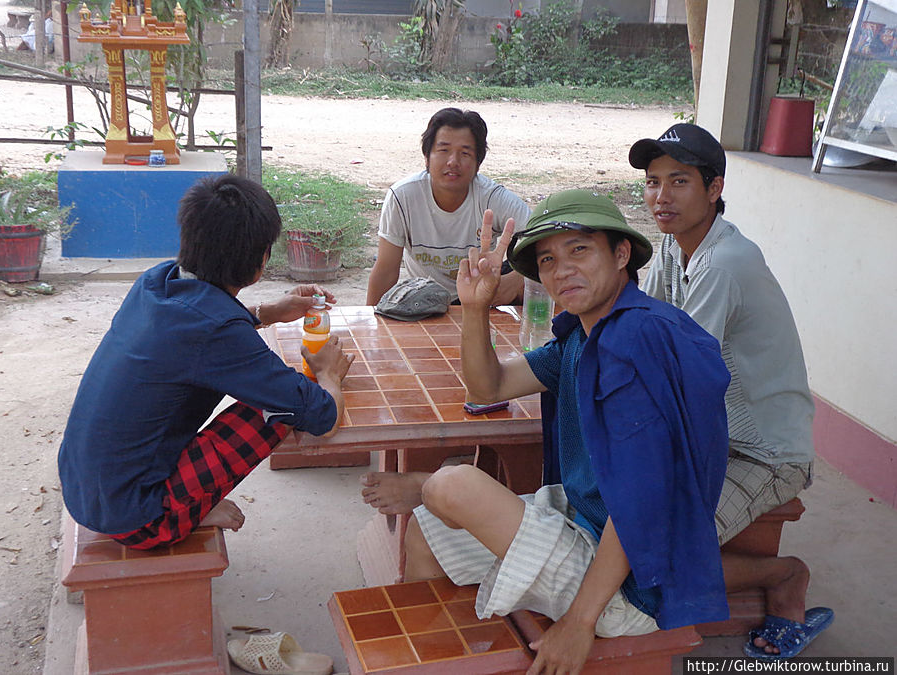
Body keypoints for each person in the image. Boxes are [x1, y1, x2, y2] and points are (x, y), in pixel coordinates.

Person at [401, 189, 732, 674]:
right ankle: (436, 661)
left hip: (632, 584)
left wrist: (579, 621)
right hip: (582, 525)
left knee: (450, 484)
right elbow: (489, 384)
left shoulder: (632, 343)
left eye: (580, 250)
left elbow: (641, 498)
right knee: (426, 531)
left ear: (621, 255)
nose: (563, 270)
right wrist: (475, 308)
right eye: (548, 260)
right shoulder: (584, 334)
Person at [58, 175, 354, 549]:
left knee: (274, 391)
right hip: (135, 518)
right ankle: (182, 512)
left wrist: (271, 312)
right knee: (280, 407)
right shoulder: (216, 332)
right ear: (260, 262)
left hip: (85, 486)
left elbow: (203, 330)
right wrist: (329, 373)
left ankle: (184, 502)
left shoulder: (156, 282)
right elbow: (323, 417)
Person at [628, 123, 833, 658]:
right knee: (626, 527)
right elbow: (646, 331)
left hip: (766, 452)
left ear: (714, 189)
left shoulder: (724, 263)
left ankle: (784, 577)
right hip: (713, 436)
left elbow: (673, 373)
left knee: (660, 554)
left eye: (678, 182)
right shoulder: (676, 249)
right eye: (652, 183)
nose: (661, 197)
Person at [365, 107, 530, 307]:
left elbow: (546, 236)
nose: (453, 162)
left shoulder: (492, 197)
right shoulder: (403, 196)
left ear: (478, 163)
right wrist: (371, 327)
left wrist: (514, 282)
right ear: (427, 156)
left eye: (465, 153)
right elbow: (386, 270)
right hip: (426, 298)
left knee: (534, 280)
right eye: (443, 150)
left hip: (483, 292)